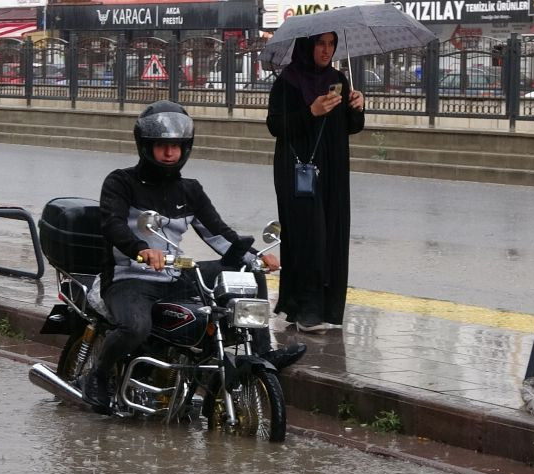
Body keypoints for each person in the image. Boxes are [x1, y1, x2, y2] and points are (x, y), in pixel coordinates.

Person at [80, 101, 307, 413]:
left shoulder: (190, 190)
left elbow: (219, 233)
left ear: (186, 148)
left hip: (174, 276)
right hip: (128, 278)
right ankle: (99, 375)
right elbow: (112, 224)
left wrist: (256, 257)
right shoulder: (121, 182)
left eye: (176, 146)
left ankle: (263, 352)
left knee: (245, 271)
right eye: (162, 146)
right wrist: (141, 250)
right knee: (136, 327)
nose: (170, 153)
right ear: (146, 146)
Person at [266, 32, 365, 332]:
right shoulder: (289, 81)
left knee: (332, 234)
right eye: (320, 44)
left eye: (331, 44)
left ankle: (327, 309)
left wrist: (357, 107)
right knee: (309, 235)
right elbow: (275, 125)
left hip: (332, 170)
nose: (326, 50)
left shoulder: (338, 79)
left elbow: (349, 127)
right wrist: (311, 111)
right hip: (298, 170)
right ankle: (306, 309)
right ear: (307, 46)